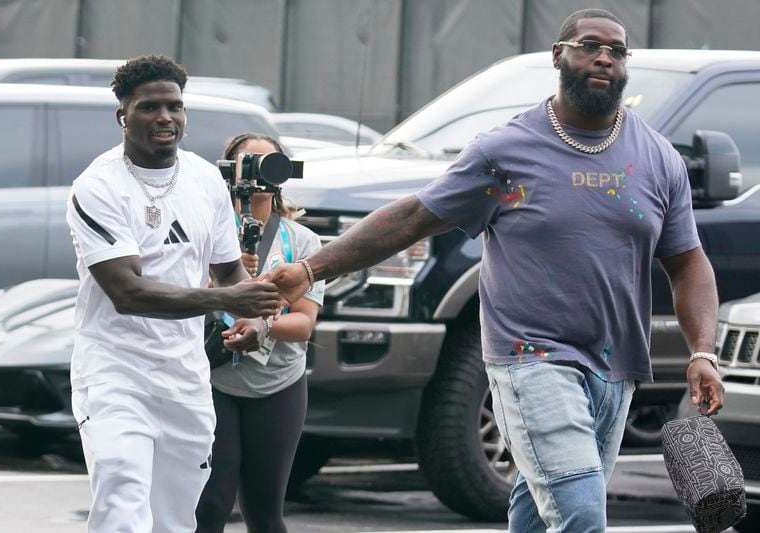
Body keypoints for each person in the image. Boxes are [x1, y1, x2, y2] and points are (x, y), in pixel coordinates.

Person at [262, 9, 725, 532]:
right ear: (559, 55)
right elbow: (415, 216)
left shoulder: (657, 158)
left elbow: (688, 262)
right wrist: (311, 268)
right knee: (579, 511)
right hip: (532, 358)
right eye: (588, 45)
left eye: (616, 51)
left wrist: (702, 351)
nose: (603, 58)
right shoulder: (506, 151)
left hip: (616, 365)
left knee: (537, 503)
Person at [65, 55, 281, 533]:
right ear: (123, 116)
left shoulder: (205, 180)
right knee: (121, 497)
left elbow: (228, 275)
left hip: (184, 378)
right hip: (114, 373)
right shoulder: (98, 187)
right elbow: (129, 292)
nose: (165, 117)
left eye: (174, 106)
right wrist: (228, 303)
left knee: (176, 520)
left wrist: (253, 322)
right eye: (149, 107)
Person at [195, 133, 325, 533]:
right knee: (211, 504)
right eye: (247, 163)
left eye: (269, 163)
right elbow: (183, 302)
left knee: (265, 511)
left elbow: (304, 324)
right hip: (214, 379)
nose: (257, 174)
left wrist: (264, 324)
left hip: (278, 383)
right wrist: (223, 283)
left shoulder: (301, 240)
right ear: (227, 171)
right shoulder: (207, 230)